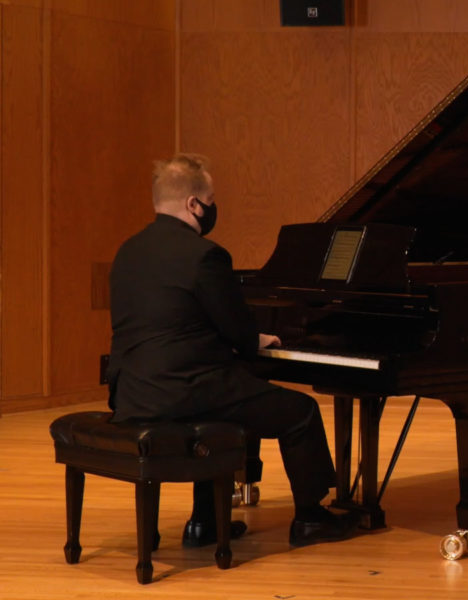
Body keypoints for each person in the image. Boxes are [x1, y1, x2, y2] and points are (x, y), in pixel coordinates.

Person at [108, 155, 357, 548]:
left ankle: (206, 522)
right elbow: (240, 335)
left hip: (133, 393)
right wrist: (255, 338)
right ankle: (311, 518)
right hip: (186, 392)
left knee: (234, 390)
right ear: (194, 204)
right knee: (300, 413)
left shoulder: (127, 252)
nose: (212, 206)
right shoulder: (204, 255)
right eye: (210, 198)